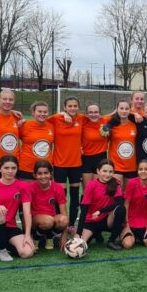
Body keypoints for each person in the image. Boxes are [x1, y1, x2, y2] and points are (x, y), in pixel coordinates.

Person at [0, 155, 35, 262]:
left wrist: (28, 235)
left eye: (13, 168)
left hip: (10, 226)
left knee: (27, 252)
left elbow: (27, 212)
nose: (10, 171)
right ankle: (1, 250)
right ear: (0, 168)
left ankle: (0, 242)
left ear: (17, 169)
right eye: (6, 168)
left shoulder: (23, 186)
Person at [78, 159, 127, 251]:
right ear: (98, 171)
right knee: (81, 245)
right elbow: (84, 209)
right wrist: (78, 232)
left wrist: (101, 211)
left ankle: (111, 241)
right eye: (104, 171)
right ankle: (96, 233)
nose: (107, 174)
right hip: (92, 220)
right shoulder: (91, 185)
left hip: (107, 219)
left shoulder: (116, 183)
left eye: (110, 171)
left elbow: (119, 202)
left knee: (121, 209)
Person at [49, 97, 84, 226]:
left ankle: (71, 225)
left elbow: (102, 118)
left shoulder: (81, 119)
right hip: (59, 164)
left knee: (75, 196)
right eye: (69, 106)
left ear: (78, 108)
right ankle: (60, 222)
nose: (72, 108)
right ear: (64, 107)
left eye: (75, 106)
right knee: (61, 197)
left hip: (76, 164)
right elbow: (40, 118)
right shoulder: (56, 118)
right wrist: (62, 114)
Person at [29, 160, 68, 251]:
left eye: (46, 173)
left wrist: (64, 237)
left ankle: (50, 237)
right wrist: (28, 235)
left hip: (51, 219)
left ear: (51, 174)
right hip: (36, 220)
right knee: (48, 221)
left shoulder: (58, 188)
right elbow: (25, 213)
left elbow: (64, 213)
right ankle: (36, 237)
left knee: (63, 220)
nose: (43, 176)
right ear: (34, 175)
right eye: (39, 173)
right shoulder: (29, 188)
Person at [121, 159, 147, 250]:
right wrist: (126, 225)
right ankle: (126, 234)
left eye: (146, 169)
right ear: (137, 171)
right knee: (128, 245)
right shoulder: (132, 183)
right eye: (140, 169)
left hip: (144, 222)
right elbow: (126, 204)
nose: (143, 171)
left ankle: (138, 237)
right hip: (130, 221)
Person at [0, 90, 21, 183]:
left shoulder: (17, 117)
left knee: (14, 193)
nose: (8, 102)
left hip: (14, 162)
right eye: (4, 99)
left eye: (11, 99)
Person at [102, 100, 138, 182]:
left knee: (129, 194)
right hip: (116, 165)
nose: (124, 111)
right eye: (121, 108)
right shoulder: (111, 124)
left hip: (131, 166)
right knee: (116, 192)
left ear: (130, 110)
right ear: (117, 109)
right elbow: (99, 118)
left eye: (126, 109)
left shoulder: (135, 124)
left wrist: (135, 113)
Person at [18, 101, 55, 179]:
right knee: (27, 191)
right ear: (33, 113)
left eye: (45, 112)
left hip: (45, 168)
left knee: (45, 191)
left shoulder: (52, 126)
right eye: (39, 111)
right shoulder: (24, 125)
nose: (42, 114)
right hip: (27, 167)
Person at [80, 103, 109, 193]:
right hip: (86, 159)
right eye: (90, 112)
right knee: (87, 190)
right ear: (86, 114)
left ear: (100, 113)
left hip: (101, 158)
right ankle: (85, 207)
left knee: (98, 189)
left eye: (96, 112)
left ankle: (98, 207)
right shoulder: (83, 123)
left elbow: (119, 112)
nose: (93, 114)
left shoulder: (105, 121)